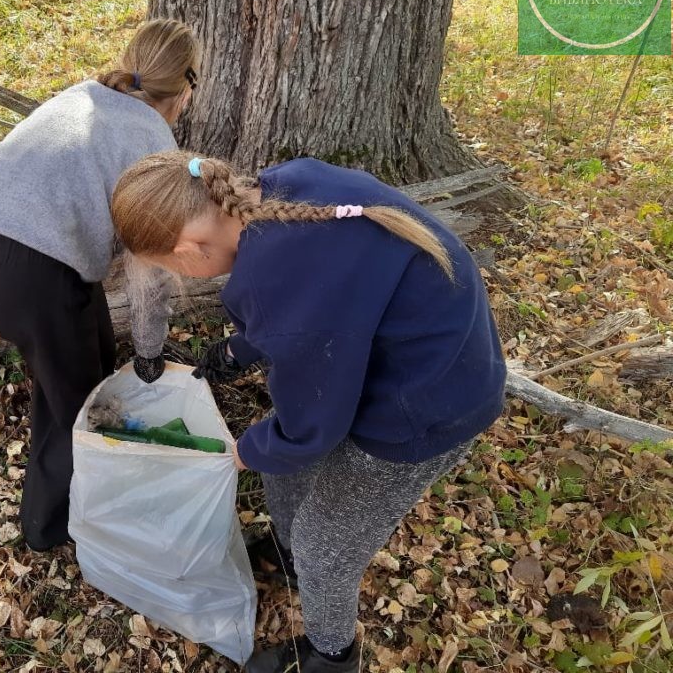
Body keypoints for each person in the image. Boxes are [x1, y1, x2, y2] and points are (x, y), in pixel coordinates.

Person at [110, 151, 507, 672]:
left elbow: (313, 426)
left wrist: (248, 451)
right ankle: (286, 552)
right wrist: (240, 350)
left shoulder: (275, 281)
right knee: (283, 472)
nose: (183, 277)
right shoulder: (286, 186)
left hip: (424, 409)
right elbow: (322, 302)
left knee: (326, 550)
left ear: (188, 247)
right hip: (416, 355)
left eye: (172, 268)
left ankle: (330, 655)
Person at [0, 20, 200, 552]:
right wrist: (151, 354)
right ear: (185, 86)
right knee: (82, 406)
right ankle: (52, 528)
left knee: (92, 357)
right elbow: (148, 269)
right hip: (29, 274)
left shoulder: (84, 93)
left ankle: (78, 486)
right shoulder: (153, 139)